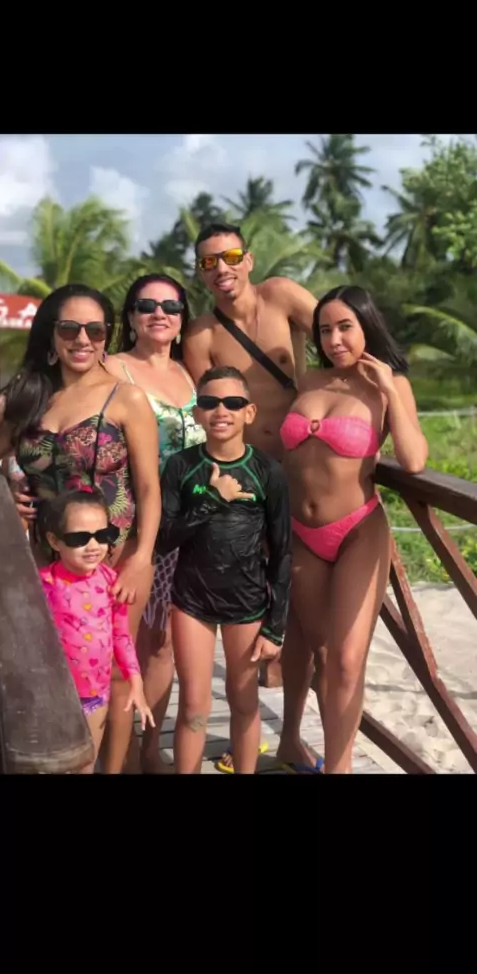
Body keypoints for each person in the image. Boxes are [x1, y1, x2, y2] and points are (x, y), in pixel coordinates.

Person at [0, 283, 161, 774]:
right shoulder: (27, 396)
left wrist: (142, 558)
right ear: (51, 334)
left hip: (114, 560)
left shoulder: (127, 397)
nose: (83, 339)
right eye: (69, 328)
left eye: (95, 329)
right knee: (50, 670)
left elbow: (149, 488)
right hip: (40, 563)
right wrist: (7, 489)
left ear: (108, 336)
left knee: (116, 672)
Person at [183, 221, 318, 772]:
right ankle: (250, 731)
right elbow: (204, 419)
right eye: (208, 262)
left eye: (231, 256)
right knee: (253, 604)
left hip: (305, 473)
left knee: (303, 613)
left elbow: (342, 334)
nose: (222, 268)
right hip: (247, 485)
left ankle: (290, 737)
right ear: (200, 272)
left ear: (250, 259)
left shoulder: (282, 297)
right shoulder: (200, 335)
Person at [281, 285, 428, 773]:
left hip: (357, 531)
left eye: (345, 327)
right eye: (325, 330)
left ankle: (339, 769)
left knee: (347, 659)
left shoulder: (389, 385)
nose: (335, 339)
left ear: (367, 326)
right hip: (301, 532)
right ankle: (319, 753)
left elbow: (413, 459)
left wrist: (389, 388)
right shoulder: (309, 381)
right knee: (323, 655)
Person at [155, 366, 292, 774]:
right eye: (210, 402)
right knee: (193, 706)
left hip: (247, 600)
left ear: (249, 412)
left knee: (244, 701)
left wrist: (275, 627)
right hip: (191, 599)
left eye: (232, 403)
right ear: (197, 412)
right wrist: (212, 500)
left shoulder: (268, 471)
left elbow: (283, 552)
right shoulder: (181, 466)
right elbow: (164, 539)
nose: (221, 411)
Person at [105, 273, 206, 773]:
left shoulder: (192, 373)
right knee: (120, 644)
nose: (159, 313)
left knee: (162, 643)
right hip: (129, 528)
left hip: (187, 532)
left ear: (183, 318)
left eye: (170, 306)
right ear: (130, 317)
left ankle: (148, 747)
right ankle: (116, 752)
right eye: (146, 305)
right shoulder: (110, 368)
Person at [39, 488, 155, 773]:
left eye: (102, 535)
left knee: (86, 762)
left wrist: (136, 682)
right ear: (54, 541)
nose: (93, 545)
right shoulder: (42, 584)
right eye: (79, 538)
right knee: (52, 763)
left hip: (95, 696)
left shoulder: (112, 582)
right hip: (53, 695)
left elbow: (122, 637)